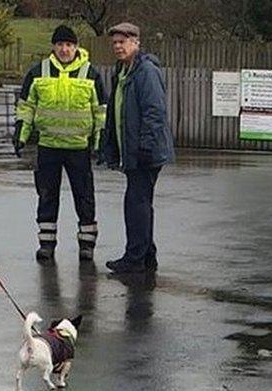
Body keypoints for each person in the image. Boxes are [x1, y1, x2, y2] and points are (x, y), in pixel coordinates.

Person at [15, 25, 106, 262]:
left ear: (76, 47)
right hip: (48, 146)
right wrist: (20, 135)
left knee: (84, 197)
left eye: (69, 45)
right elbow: (26, 107)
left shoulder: (90, 74)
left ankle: (86, 245)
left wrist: (100, 142)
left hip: (78, 148)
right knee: (46, 195)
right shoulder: (38, 72)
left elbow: (100, 113)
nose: (64, 49)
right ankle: (46, 244)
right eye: (60, 45)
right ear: (53, 47)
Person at [102, 22, 175, 275]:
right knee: (140, 203)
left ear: (136, 42)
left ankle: (134, 258)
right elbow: (117, 112)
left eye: (123, 41)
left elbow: (155, 112)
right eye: (115, 43)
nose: (118, 46)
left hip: (146, 153)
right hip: (132, 151)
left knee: (136, 203)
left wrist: (145, 147)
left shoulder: (145, 72)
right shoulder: (123, 71)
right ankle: (146, 255)